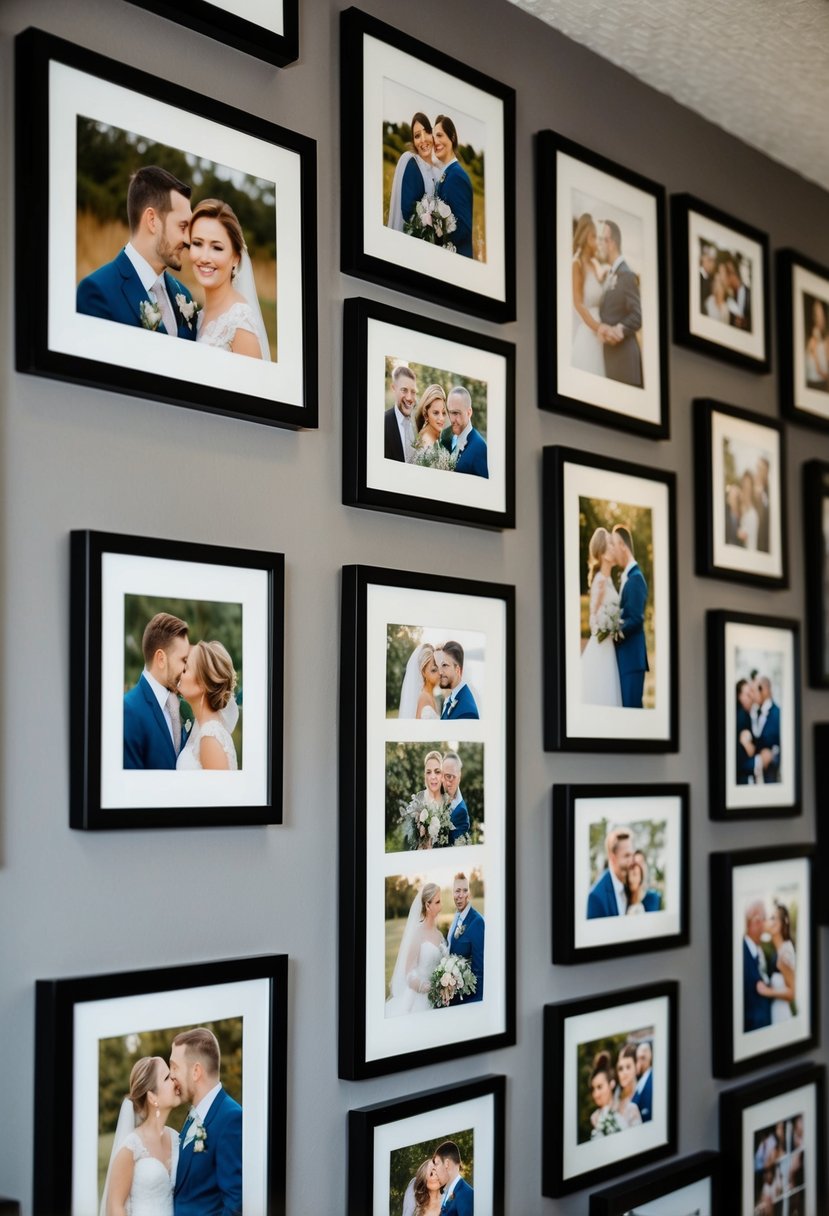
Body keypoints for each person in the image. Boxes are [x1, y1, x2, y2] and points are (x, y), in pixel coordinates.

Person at [77, 165, 196, 339]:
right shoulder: (97, 292)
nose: (188, 240)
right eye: (182, 226)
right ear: (152, 220)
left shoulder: (184, 296)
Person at [169, 1028, 242, 1216]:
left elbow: (235, 1205)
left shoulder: (231, 1118)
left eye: (175, 1066)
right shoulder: (194, 1116)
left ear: (196, 1072)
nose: (171, 1075)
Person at [188, 198, 269, 359]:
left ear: (236, 258)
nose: (204, 257)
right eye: (197, 243)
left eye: (217, 247)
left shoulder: (240, 323)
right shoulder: (199, 314)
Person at [100, 1056, 180, 1216]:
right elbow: (115, 1208)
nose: (174, 1079)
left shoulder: (177, 1139)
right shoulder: (131, 1147)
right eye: (166, 1077)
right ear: (152, 1097)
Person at [123, 613, 190, 770]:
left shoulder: (181, 706)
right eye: (183, 660)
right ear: (161, 659)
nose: (187, 668)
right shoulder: (128, 711)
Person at [386, 882, 448, 1016]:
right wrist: (420, 986)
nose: (441, 906)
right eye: (437, 902)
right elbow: (408, 971)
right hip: (418, 999)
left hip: (438, 998)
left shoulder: (439, 935)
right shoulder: (417, 934)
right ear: (427, 905)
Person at [175, 640, 239, 771]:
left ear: (202, 684)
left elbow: (219, 791)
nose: (181, 672)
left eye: (186, 669)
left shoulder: (210, 737)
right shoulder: (203, 730)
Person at [597, 220, 643, 387]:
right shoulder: (611, 274)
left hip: (625, 360)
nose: (599, 244)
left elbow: (637, 316)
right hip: (611, 359)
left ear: (611, 243)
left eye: (602, 240)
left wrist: (618, 330)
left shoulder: (627, 275)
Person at [580, 526, 622, 707]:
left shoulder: (609, 580)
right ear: (603, 553)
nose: (614, 548)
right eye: (611, 545)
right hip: (601, 647)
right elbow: (593, 618)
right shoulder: (600, 581)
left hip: (610, 646)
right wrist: (606, 626)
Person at [612, 525, 649, 708]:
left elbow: (636, 619)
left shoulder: (635, 579)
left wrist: (614, 631)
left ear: (623, 545)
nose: (612, 550)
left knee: (631, 713)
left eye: (614, 545)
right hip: (627, 658)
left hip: (632, 660)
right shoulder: (627, 577)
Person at [387, 112, 439, 233]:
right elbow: (408, 211)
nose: (423, 139)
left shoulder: (438, 170)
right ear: (413, 141)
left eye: (426, 132)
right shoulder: (413, 164)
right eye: (417, 136)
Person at [571, 214, 607, 375]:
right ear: (585, 237)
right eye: (593, 237)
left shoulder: (595, 264)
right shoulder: (576, 264)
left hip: (602, 334)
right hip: (589, 332)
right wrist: (597, 327)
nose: (596, 242)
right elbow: (578, 303)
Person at [432, 116, 473, 258]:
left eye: (439, 135)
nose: (435, 141)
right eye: (433, 137)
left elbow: (463, 229)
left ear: (453, 137)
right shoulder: (446, 175)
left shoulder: (457, 176)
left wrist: (437, 234)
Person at [446, 872, 484, 1002]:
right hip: (454, 995)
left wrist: (472, 1004)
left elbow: (479, 970)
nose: (460, 895)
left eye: (464, 890)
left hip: (468, 999)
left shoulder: (477, 921)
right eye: (457, 891)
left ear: (469, 893)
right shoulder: (456, 918)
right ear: (452, 893)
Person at [756, 901, 796, 1023]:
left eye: (773, 918)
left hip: (782, 1016)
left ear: (782, 922)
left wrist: (767, 991)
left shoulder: (785, 952)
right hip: (775, 1014)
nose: (768, 921)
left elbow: (792, 993)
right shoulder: (777, 952)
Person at [440, 387, 488, 478]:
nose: (452, 419)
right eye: (450, 412)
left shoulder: (480, 447)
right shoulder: (446, 436)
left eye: (456, 413)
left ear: (469, 413)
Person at [587, 826, 634, 918]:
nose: (632, 861)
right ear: (613, 858)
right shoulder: (596, 897)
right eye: (627, 856)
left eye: (632, 855)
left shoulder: (631, 885)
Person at [743, 900, 773, 1032]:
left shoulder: (760, 950)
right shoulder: (741, 952)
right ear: (755, 921)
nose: (765, 924)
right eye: (764, 919)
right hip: (753, 1028)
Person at [398, 642, 441, 719]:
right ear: (423, 672)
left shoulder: (431, 695)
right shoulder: (424, 697)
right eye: (434, 670)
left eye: (439, 668)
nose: (439, 673)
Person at [437, 641, 480, 719]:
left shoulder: (467, 713)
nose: (440, 672)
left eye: (445, 665)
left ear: (457, 670)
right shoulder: (451, 698)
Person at [752, 674, 781, 783]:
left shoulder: (778, 714)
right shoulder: (755, 713)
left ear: (763, 690)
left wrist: (773, 754)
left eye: (754, 691)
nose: (753, 696)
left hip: (771, 777)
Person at [385, 364, 417, 462]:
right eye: (404, 390)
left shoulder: (416, 424)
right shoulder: (383, 423)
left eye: (413, 392)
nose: (409, 398)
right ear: (394, 389)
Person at [431, 1142, 473, 1215]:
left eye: (437, 1164)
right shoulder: (449, 1192)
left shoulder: (465, 1195)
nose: (434, 1170)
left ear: (447, 1163)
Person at [411, 385, 449, 462]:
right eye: (436, 413)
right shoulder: (427, 445)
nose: (441, 418)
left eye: (444, 413)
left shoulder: (428, 433)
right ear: (426, 415)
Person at [441, 751, 470, 844]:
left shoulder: (461, 812)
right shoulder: (435, 793)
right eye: (444, 776)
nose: (447, 781)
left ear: (459, 778)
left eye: (450, 776)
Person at [612, 1044, 643, 1128]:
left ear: (636, 1067)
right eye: (620, 1068)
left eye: (628, 1067)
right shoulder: (617, 1093)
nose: (624, 1073)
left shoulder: (642, 1093)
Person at [736, 678, 759, 784]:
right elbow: (749, 750)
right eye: (747, 695)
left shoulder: (747, 714)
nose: (751, 698)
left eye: (751, 694)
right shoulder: (741, 716)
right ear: (739, 697)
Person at [805, 297, 829, 389]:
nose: (819, 318)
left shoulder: (824, 339)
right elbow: (818, 369)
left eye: (821, 314)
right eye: (817, 315)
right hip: (816, 382)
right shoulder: (813, 340)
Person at [725, 257, 751, 330]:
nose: (727, 277)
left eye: (729, 273)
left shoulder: (749, 294)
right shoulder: (728, 297)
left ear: (736, 274)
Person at [736, 469, 759, 550]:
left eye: (747, 485)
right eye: (744, 485)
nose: (745, 489)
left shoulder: (752, 514)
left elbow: (751, 544)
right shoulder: (740, 509)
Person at [633, 1041, 653, 1122]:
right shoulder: (639, 1081)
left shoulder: (652, 1078)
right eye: (638, 1058)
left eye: (643, 1058)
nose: (640, 1062)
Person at [755, 456, 770, 553]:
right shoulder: (754, 492)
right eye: (757, 469)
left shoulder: (770, 492)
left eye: (761, 469)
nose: (758, 473)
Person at [699, 243, 718, 311]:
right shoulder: (697, 277)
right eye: (710, 260)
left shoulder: (712, 280)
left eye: (713, 261)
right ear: (703, 258)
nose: (712, 264)